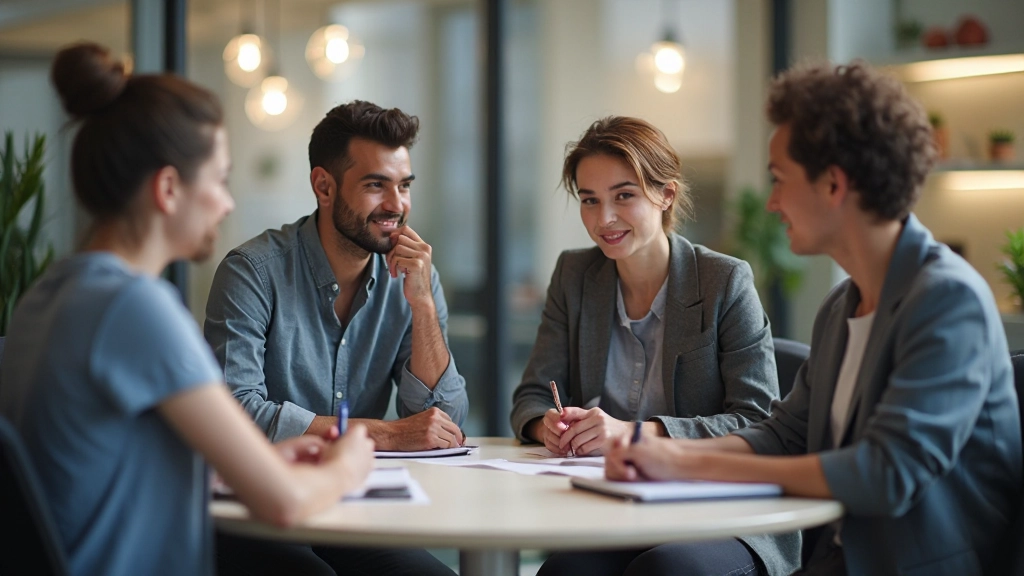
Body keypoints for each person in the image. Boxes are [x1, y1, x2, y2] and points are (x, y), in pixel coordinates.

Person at [604, 61, 1022, 575]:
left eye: (780, 179)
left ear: (833, 184)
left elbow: (886, 473)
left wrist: (684, 462)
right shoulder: (841, 306)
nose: (772, 202)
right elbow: (784, 436)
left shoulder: (948, 301)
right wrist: (655, 451)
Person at [0, 42, 375, 576]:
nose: (228, 203)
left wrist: (258, 463)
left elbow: (104, 469)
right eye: (219, 180)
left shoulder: (49, 294)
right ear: (169, 188)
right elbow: (285, 503)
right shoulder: (135, 308)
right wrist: (348, 467)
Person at [510, 117, 799, 576]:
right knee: (563, 572)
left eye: (624, 196)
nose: (604, 218)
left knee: (666, 570)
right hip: (617, 508)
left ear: (666, 195)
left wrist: (635, 434)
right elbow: (531, 395)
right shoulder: (575, 276)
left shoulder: (724, 281)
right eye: (589, 200)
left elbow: (758, 421)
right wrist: (546, 426)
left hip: (722, 514)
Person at [204, 100, 464, 575]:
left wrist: (423, 306)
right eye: (375, 185)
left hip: (352, 507)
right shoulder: (252, 273)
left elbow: (442, 423)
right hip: (255, 511)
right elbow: (236, 413)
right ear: (324, 186)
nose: (397, 205)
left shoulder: (414, 279)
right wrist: (386, 434)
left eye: (404, 185)